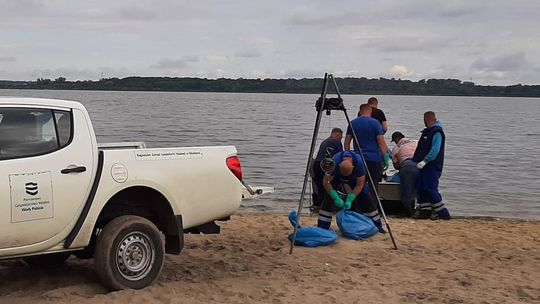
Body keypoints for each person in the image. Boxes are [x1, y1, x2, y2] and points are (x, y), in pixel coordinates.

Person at [318, 151, 384, 232]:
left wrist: (350, 198)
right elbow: (326, 182)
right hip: (336, 178)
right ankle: (323, 227)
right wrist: (335, 197)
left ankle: (377, 226)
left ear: (353, 167)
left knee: (365, 196)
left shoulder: (359, 163)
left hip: (354, 178)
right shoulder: (333, 162)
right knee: (328, 198)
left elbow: (360, 184)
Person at [411, 111, 451, 220]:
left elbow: (435, 149)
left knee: (430, 188)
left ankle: (442, 212)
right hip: (423, 165)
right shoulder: (427, 132)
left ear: (427, 120)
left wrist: (425, 160)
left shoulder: (437, 132)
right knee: (421, 187)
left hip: (432, 165)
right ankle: (425, 210)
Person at [345, 103, 390, 191]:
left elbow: (347, 142)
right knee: (373, 185)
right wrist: (385, 156)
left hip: (358, 158)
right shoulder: (375, 123)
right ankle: (373, 203)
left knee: (358, 184)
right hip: (373, 159)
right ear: (370, 111)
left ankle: (357, 203)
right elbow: (381, 142)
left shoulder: (353, 123)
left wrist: (348, 156)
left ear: (360, 111)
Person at [311, 128, 343, 207]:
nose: (340, 139)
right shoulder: (337, 142)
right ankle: (330, 204)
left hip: (317, 164)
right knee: (330, 185)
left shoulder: (324, 142)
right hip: (327, 165)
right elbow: (340, 156)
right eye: (341, 137)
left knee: (320, 186)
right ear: (337, 134)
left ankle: (319, 205)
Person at [390, 131, 419, 213]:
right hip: (421, 163)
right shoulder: (415, 141)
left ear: (396, 139)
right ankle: (423, 208)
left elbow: (396, 166)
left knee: (407, 188)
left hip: (408, 165)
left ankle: (408, 210)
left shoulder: (396, 148)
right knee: (421, 187)